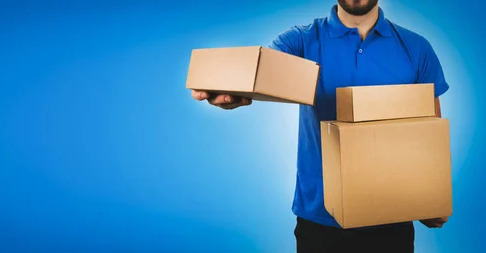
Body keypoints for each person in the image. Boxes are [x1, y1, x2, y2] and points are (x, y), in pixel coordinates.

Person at [191, 0, 450, 252]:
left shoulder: (416, 48)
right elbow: (261, 74)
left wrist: (431, 198)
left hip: (392, 220)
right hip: (320, 222)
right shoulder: (300, 41)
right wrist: (229, 89)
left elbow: (430, 133)